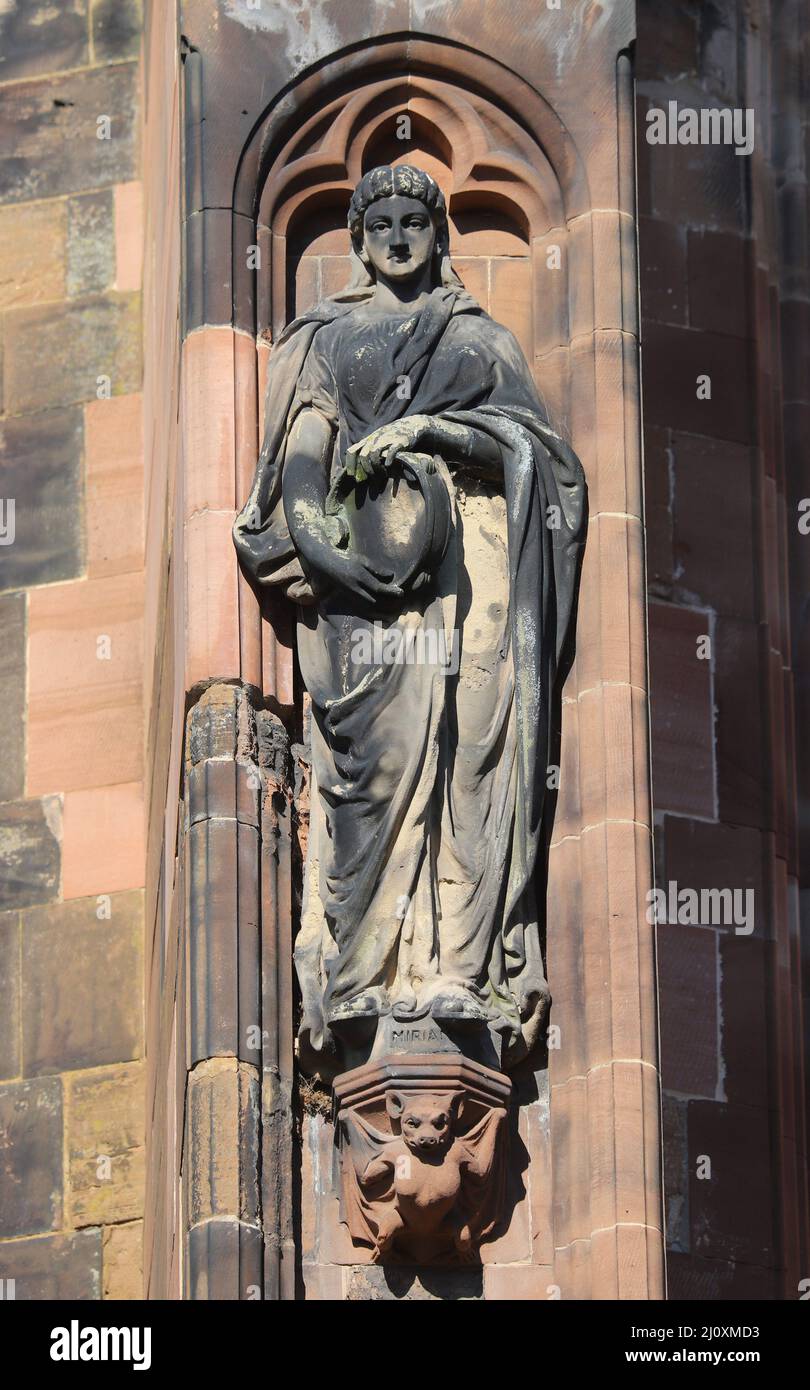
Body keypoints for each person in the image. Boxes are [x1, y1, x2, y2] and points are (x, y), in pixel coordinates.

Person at [234, 165, 585, 1076]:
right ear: (357, 236)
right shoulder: (326, 339)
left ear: (437, 233)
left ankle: (461, 970)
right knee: (381, 765)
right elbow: (303, 463)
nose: (397, 237)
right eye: (380, 222)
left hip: (473, 566)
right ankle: (368, 973)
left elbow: (541, 462)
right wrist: (328, 554)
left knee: (478, 753)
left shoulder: (480, 339)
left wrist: (430, 433)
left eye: (414, 221)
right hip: (365, 582)